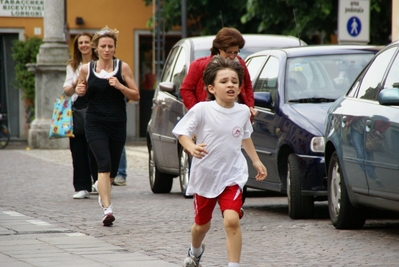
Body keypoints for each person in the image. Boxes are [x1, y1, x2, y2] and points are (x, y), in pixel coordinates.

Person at [172, 56, 267, 267]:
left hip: (232, 175)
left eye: (234, 81)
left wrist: (256, 161)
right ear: (212, 88)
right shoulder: (202, 110)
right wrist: (191, 146)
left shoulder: (243, 111)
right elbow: (181, 133)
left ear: (240, 87)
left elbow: (244, 136)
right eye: (224, 81)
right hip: (205, 176)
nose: (230, 85)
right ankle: (195, 250)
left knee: (232, 220)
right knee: (201, 226)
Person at [75, 26, 140, 226]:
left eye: (110, 46)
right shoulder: (87, 69)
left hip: (117, 123)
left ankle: (103, 191)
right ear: (96, 48)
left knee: (110, 171)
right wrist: (80, 89)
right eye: (103, 46)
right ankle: (107, 209)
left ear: (114, 47)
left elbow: (136, 95)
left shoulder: (123, 67)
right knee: (103, 164)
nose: (106, 49)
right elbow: (80, 92)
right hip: (94, 123)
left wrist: (120, 86)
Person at [180, 27, 257, 118]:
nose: (232, 56)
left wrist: (250, 107)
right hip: (209, 117)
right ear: (219, 49)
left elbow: (248, 86)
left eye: (236, 52)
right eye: (228, 52)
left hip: (235, 115)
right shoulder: (199, 65)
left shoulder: (240, 64)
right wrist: (198, 112)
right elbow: (186, 90)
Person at [63, 33, 98, 199]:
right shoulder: (73, 65)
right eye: (80, 43)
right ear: (77, 46)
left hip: (97, 106)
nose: (84, 45)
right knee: (78, 149)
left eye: (86, 42)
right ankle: (82, 186)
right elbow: (67, 90)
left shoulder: (100, 63)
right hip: (78, 107)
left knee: (97, 146)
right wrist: (76, 81)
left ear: (92, 44)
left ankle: (99, 181)